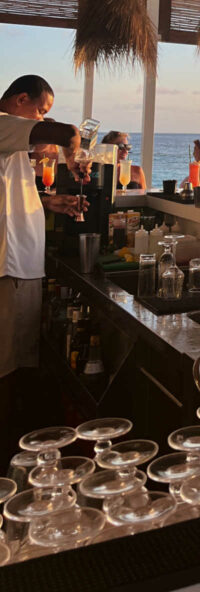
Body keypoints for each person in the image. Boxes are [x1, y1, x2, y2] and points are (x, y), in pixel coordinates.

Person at [0, 75, 89, 466]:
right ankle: (10, 460)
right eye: (40, 109)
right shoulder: (3, 123)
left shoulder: (10, 137)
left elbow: (8, 189)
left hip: (18, 264)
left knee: (17, 364)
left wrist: (48, 202)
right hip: (8, 267)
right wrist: (73, 155)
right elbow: (68, 131)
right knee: (8, 370)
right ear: (20, 100)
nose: (41, 119)